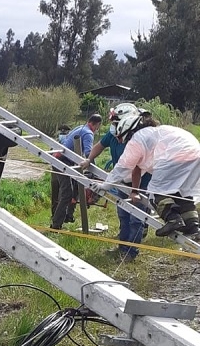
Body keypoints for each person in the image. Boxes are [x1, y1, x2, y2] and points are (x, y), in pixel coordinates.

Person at [95, 113, 200, 238]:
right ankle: (193, 227)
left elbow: (123, 166)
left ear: (127, 131)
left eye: (121, 137)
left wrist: (104, 185)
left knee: (154, 191)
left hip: (175, 156)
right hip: (195, 154)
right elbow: (138, 168)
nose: (121, 141)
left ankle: (173, 219)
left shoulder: (138, 138)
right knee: (182, 193)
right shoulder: (155, 133)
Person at [80, 103, 151, 261]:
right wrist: (89, 159)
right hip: (121, 180)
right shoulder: (113, 134)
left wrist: (135, 190)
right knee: (123, 214)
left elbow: (136, 169)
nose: (113, 126)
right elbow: (100, 146)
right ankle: (122, 246)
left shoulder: (136, 138)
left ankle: (131, 252)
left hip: (141, 183)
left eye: (116, 122)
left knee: (135, 218)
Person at [50, 114, 102, 230]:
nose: (98, 128)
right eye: (98, 126)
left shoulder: (80, 128)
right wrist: (96, 171)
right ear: (97, 124)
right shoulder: (88, 133)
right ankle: (56, 225)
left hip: (61, 159)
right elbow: (89, 153)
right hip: (63, 161)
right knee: (66, 194)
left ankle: (68, 216)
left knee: (73, 189)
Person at [50, 125, 73, 219]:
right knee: (65, 194)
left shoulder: (55, 141)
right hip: (64, 169)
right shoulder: (68, 140)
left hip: (55, 169)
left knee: (55, 194)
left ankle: (54, 215)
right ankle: (66, 215)